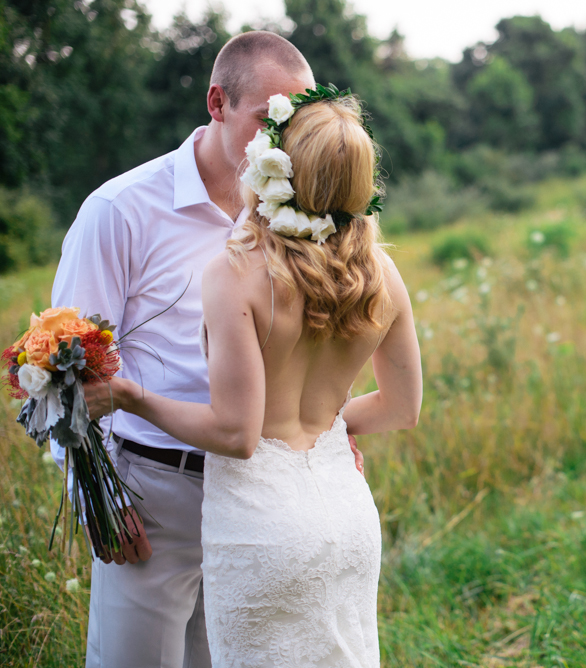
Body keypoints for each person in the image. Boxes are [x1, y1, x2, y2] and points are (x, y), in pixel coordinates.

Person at [53, 31, 362, 667]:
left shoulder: (296, 215)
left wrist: (329, 434)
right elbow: (65, 367)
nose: (283, 140)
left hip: (259, 497)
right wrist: (95, 495)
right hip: (153, 492)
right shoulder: (120, 210)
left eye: (295, 121)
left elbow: (315, 337)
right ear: (217, 103)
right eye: (266, 120)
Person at [85, 85, 422, 666]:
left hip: (260, 527)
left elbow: (238, 435)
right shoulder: (380, 272)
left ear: (275, 169)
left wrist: (129, 397)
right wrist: (324, 434)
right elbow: (401, 408)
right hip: (348, 519)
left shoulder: (235, 273)